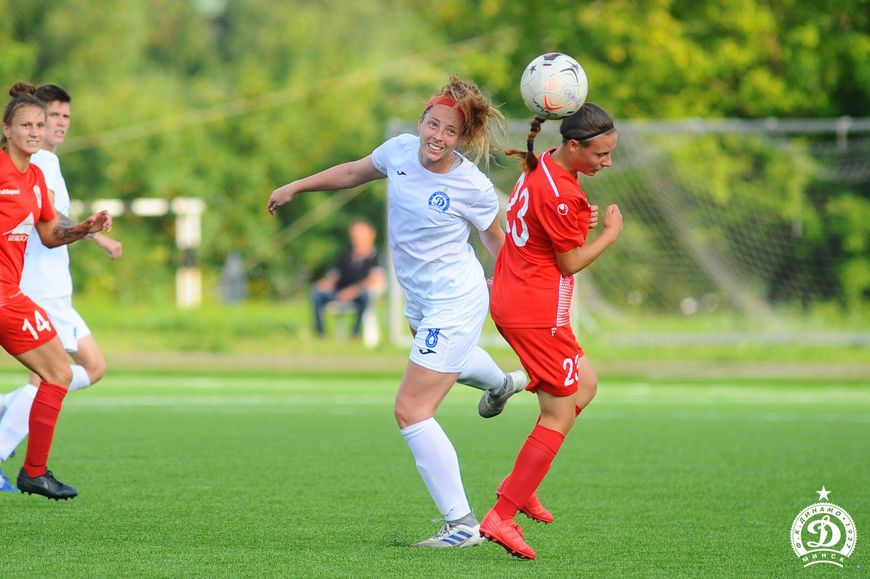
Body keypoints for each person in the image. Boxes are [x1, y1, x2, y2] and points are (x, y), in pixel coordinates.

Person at [268, 75, 529, 547]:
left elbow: (497, 241)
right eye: (433, 124)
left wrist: (513, 288)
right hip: (421, 299)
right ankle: (501, 383)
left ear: (461, 138)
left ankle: (462, 525)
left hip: (456, 299)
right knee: (444, 362)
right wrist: (296, 187)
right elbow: (353, 172)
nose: (438, 136)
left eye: (450, 131)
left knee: (412, 409)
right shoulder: (400, 151)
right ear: (421, 121)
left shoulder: (471, 185)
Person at [479, 104, 623, 559]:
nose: (607, 162)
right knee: (557, 414)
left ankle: (521, 484)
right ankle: (502, 515)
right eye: (600, 154)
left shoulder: (542, 165)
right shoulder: (563, 193)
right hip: (535, 309)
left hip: (520, 297)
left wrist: (577, 219)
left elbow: (548, 223)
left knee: (586, 384)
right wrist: (610, 234)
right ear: (574, 145)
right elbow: (569, 262)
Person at [0, 84, 122, 493]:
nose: (35, 131)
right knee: (58, 373)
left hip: (10, 296)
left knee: (58, 374)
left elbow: (50, 234)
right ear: (7, 129)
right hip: (12, 296)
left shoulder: (36, 178)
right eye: (27, 125)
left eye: (40, 124)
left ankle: (34, 471)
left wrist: (86, 228)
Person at [310, 218, 383, 340]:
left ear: (370, 234)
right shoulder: (346, 253)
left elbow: (373, 280)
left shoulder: (375, 256)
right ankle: (320, 334)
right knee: (316, 292)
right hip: (339, 291)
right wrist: (327, 283)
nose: (356, 238)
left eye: (360, 234)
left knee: (366, 297)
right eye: (354, 235)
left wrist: (352, 292)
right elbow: (335, 273)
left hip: (358, 293)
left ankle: (355, 334)